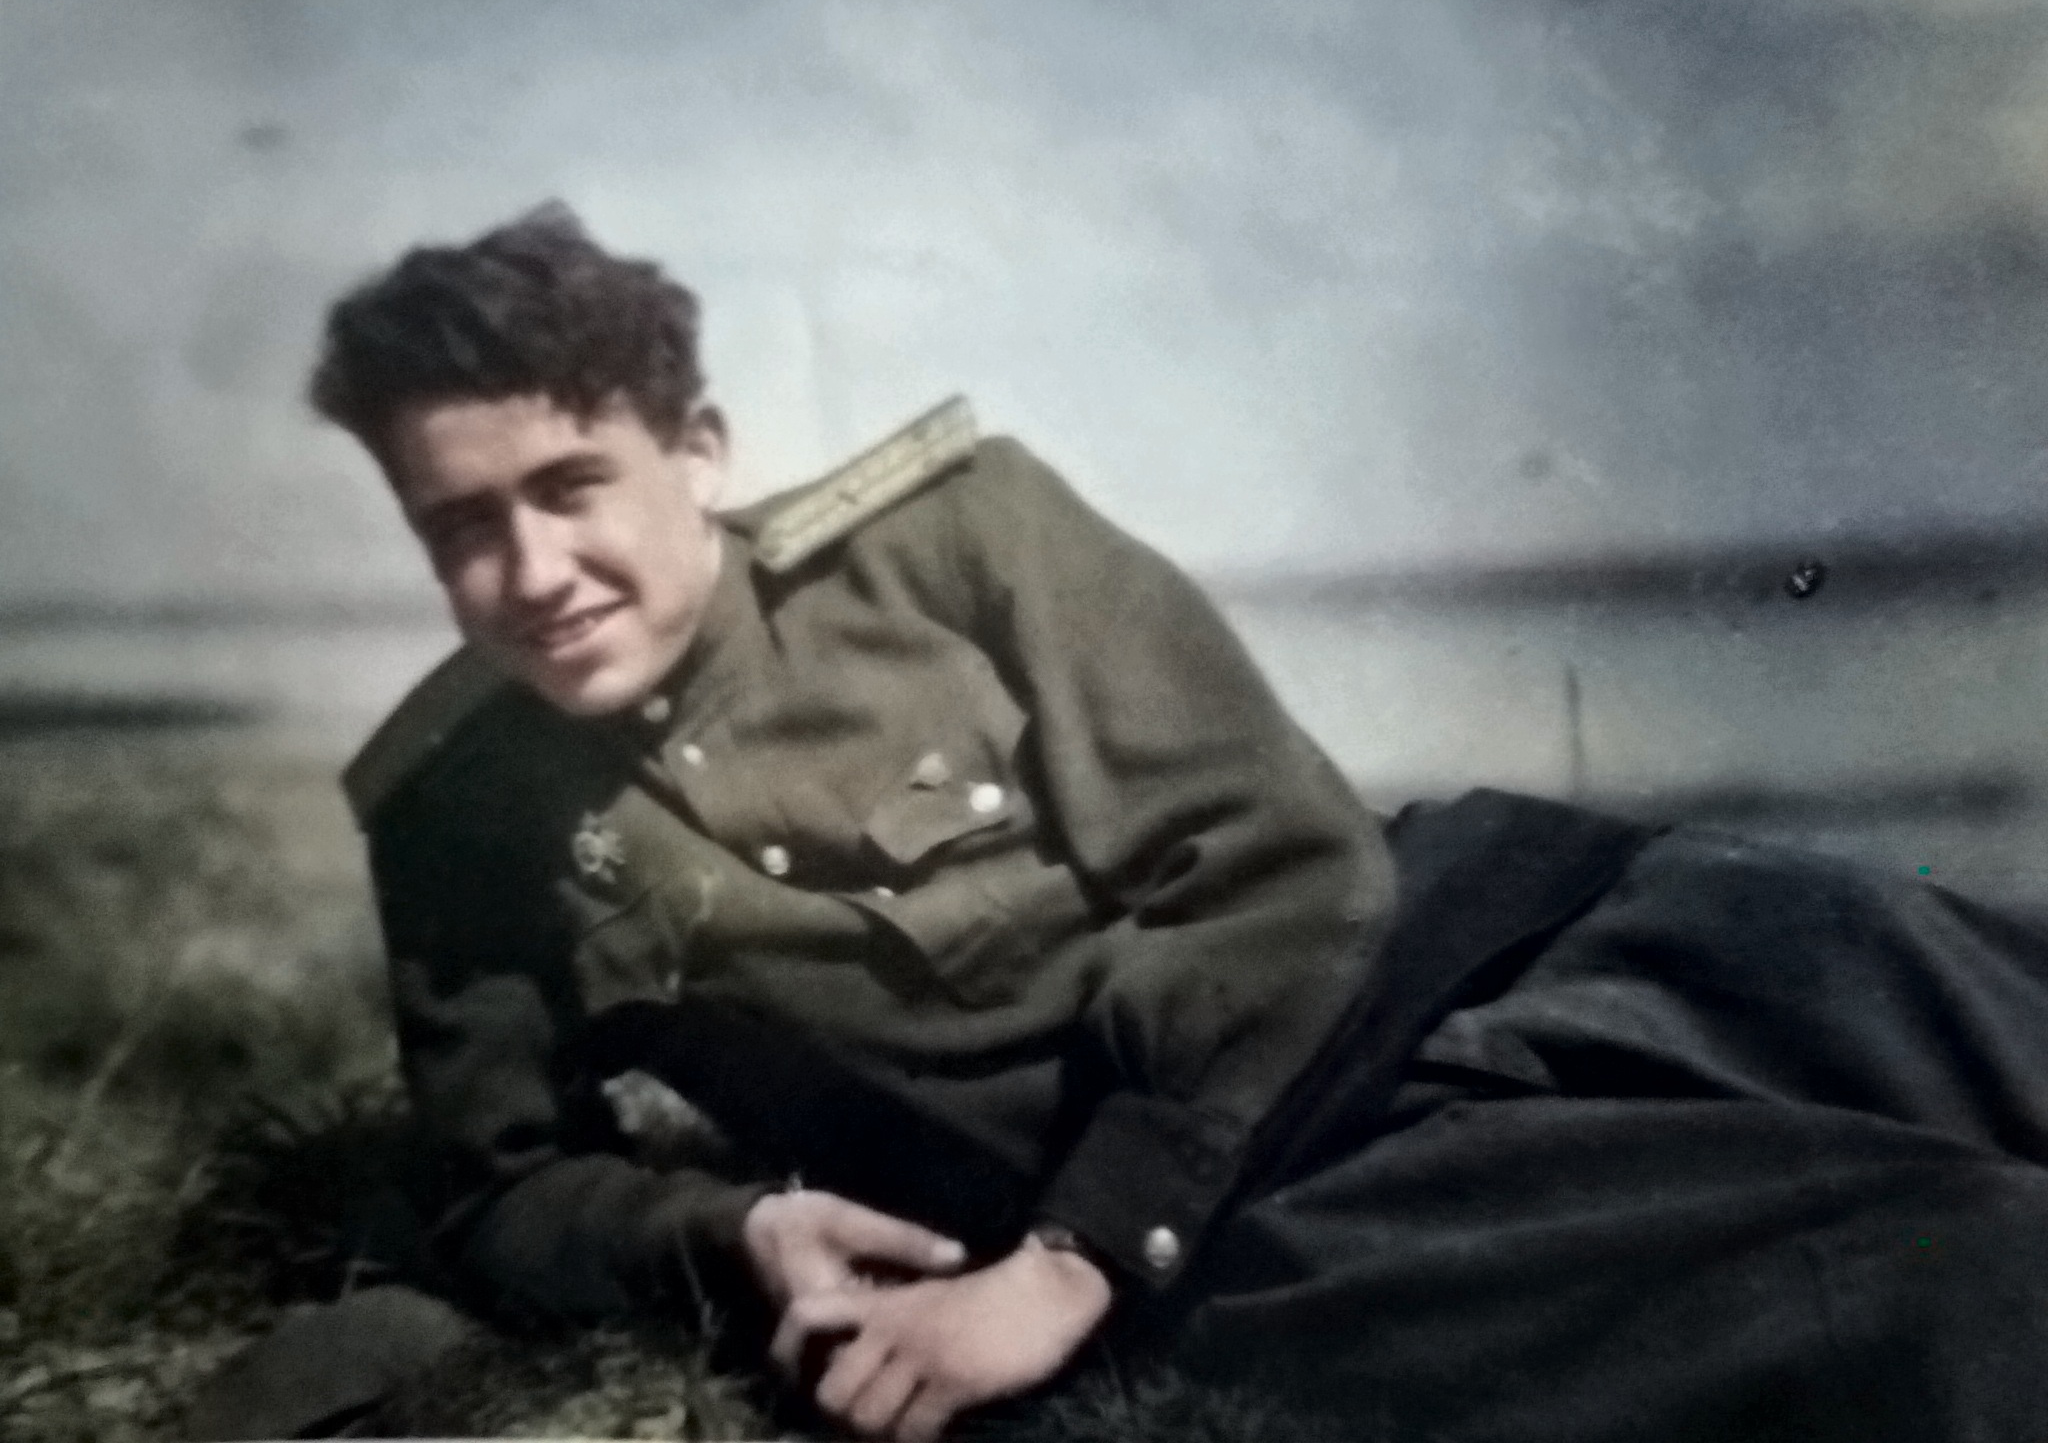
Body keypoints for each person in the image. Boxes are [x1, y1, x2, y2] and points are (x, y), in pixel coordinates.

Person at [198, 203, 2048, 1441]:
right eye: (460, 526)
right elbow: (501, 1189)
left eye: (571, 486)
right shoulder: (457, 816)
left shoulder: (957, 539)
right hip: (1304, 1198)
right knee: (1954, 1273)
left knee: (1928, 980)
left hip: (1487, 939)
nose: (532, 570)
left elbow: (1271, 864)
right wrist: (735, 1234)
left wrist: (1071, 1264)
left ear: (696, 451)